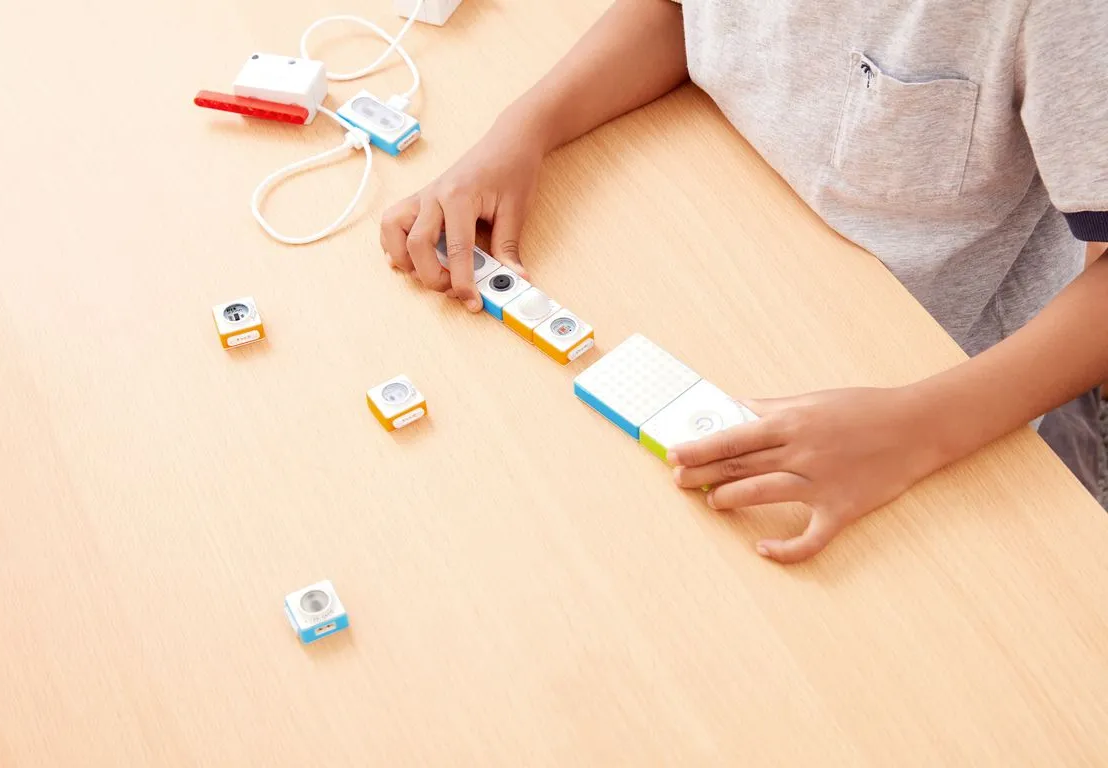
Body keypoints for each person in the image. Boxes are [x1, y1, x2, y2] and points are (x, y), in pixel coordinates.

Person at [380, 0, 1108, 563]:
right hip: (744, 255)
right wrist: (525, 128)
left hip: (956, 385)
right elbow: (682, 13)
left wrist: (914, 429)